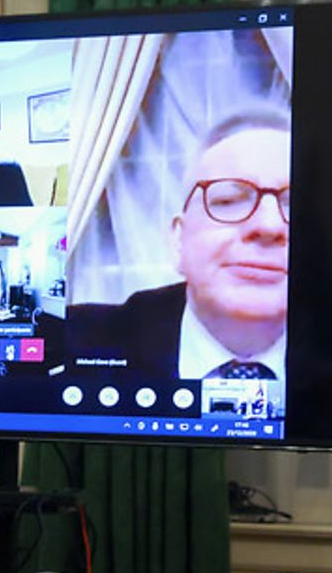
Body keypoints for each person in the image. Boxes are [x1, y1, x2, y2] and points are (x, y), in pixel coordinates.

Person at [69, 110, 290, 381]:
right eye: (230, 200)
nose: (269, 226)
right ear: (178, 241)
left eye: (297, 204)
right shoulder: (74, 341)